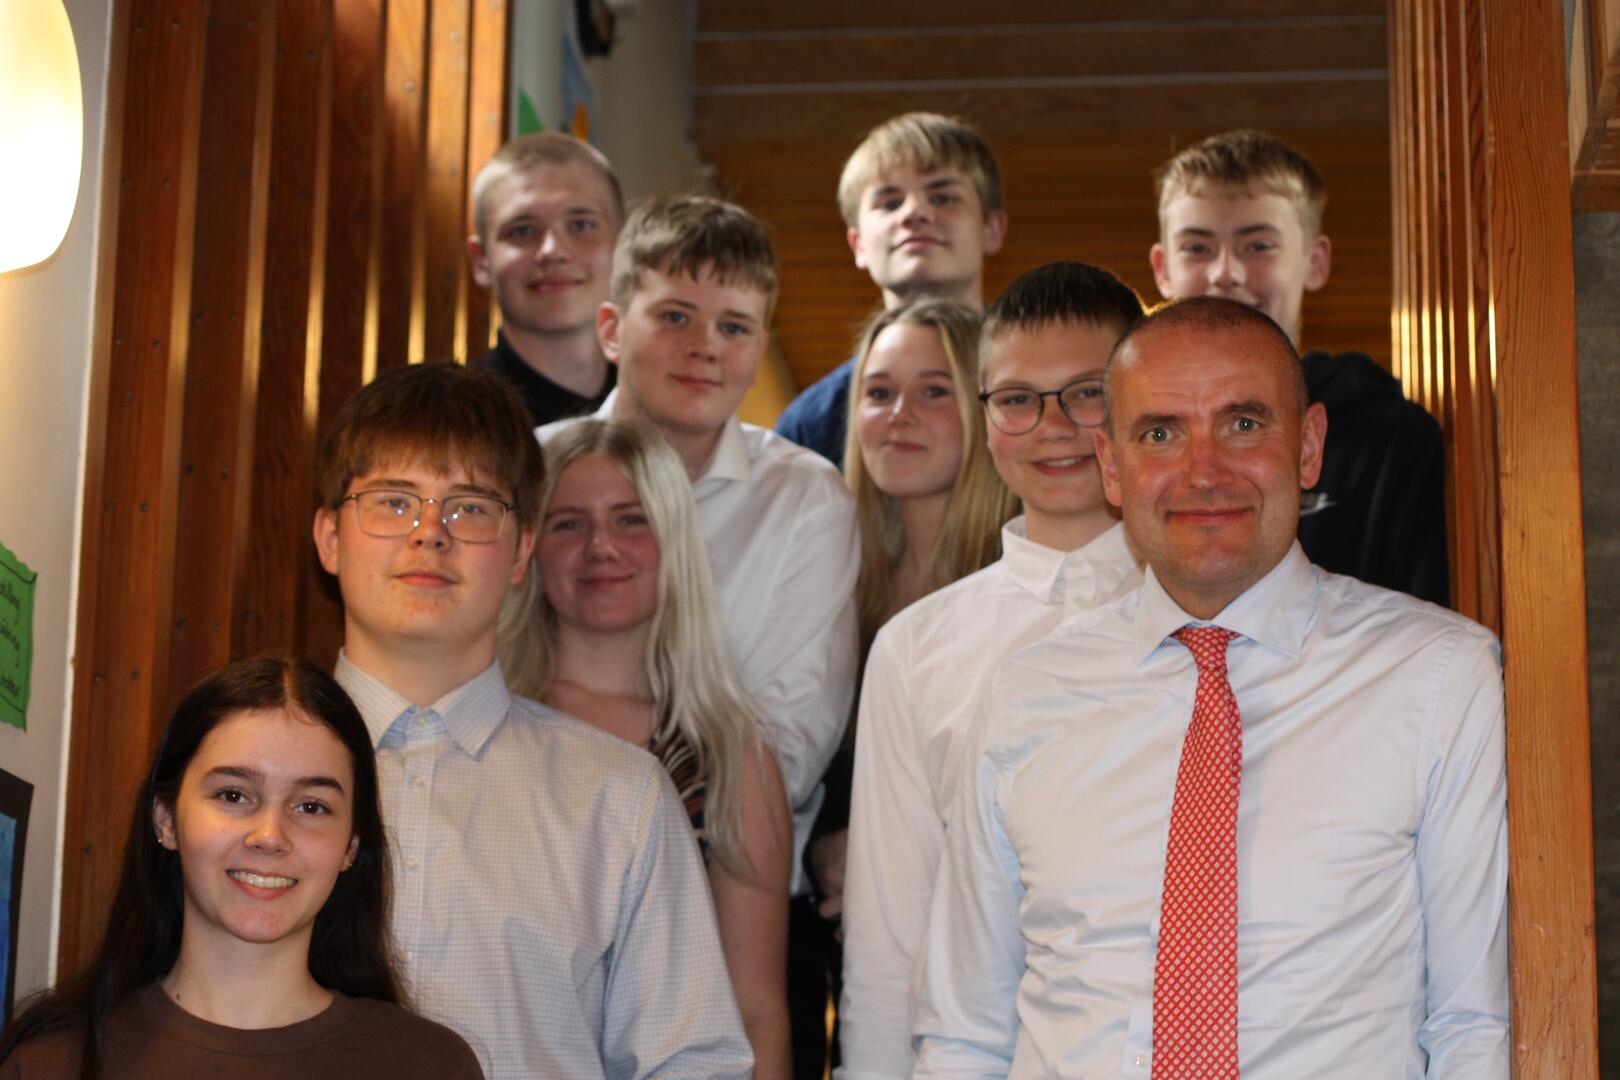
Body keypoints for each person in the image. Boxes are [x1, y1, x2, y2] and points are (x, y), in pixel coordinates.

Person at [913, 297, 1508, 1078]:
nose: (1203, 471)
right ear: (1112, 466)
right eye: (1161, 433)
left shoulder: (1439, 677)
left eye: (1244, 424)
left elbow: (1472, 1024)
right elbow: (964, 1035)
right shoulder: (1025, 693)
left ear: (1309, 447)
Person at [312, 362, 751, 1079]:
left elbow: (693, 1065)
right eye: (393, 502)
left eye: (470, 508)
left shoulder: (623, 797)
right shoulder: (241, 777)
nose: (430, 534)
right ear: (331, 537)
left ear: (521, 550)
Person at [538, 195, 860, 1077]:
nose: (705, 346)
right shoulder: (534, 464)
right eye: (676, 316)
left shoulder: (805, 497)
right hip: (530, 880)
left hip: (734, 902)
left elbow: (787, 735)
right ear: (612, 327)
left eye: (734, 326)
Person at [838, 262, 1146, 1079]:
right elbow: (889, 939)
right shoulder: (915, 648)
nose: (1054, 427)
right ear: (985, 416)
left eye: (1088, 394)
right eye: (1017, 399)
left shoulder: (1214, 612)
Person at [0, 657, 482, 1079]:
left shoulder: (428, 1067)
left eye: (311, 806)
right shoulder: (52, 1064)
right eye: (233, 795)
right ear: (165, 819)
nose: (270, 836)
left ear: (351, 845)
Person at [498, 418, 793, 1078]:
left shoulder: (731, 756)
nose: (601, 547)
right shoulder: (484, 724)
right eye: (569, 523)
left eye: (631, 520)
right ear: (530, 550)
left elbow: (756, 1012)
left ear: (675, 540)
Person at [1149, 128, 1449, 605]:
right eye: (1197, 248)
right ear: (1162, 268)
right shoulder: (1128, 433)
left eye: (1258, 246)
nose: (1225, 272)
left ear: (1315, 261)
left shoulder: (1391, 439)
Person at [775, 112, 1008, 466]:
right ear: (858, 245)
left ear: (992, 228)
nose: (914, 212)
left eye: (943, 197)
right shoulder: (809, 428)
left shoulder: (1047, 389)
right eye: (889, 202)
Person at [467, 133, 623, 427]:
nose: (553, 251)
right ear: (481, 261)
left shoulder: (668, 412)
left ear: (624, 246)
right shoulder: (450, 427)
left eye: (581, 225)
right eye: (522, 230)